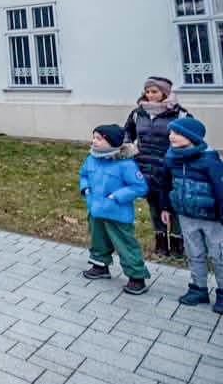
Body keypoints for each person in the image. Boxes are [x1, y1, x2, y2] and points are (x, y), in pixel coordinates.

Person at [159, 118, 223, 312]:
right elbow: (165, 184)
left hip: (212, 218)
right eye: (171, 132)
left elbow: (220, 188)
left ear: (192, 137)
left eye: (177, 133)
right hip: (186, 215)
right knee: (194, 253)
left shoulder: (209, 159)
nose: (171, 136)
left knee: (219, 254)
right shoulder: (171, 157)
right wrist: (165, 207)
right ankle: (198, 289)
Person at [123, 76, 191, 257]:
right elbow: (127, 131)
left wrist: (179, 153)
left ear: (165, 93)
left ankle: (177, 244)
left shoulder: (179, 114)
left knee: (173, 204)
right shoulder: (138, 113)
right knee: (153, 203)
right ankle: (160, 242)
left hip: (170, 166)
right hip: (145, 165)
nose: (150, 95)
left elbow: (191, 135)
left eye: (155, 91)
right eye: (147, 91)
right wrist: (129, 147)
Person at [79, 124, 150, 295]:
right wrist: (85, 187)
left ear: (111, 142)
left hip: (117, 213)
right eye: (93, 137)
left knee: (125, 244)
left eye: (98, 138)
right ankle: (100, 266)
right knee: (98, 240)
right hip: (96, 210)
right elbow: (84, 174)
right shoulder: (91, 158)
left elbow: (139, 187)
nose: (93, 141)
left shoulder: (125, 164)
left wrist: (116, 196)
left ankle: (137, 277)